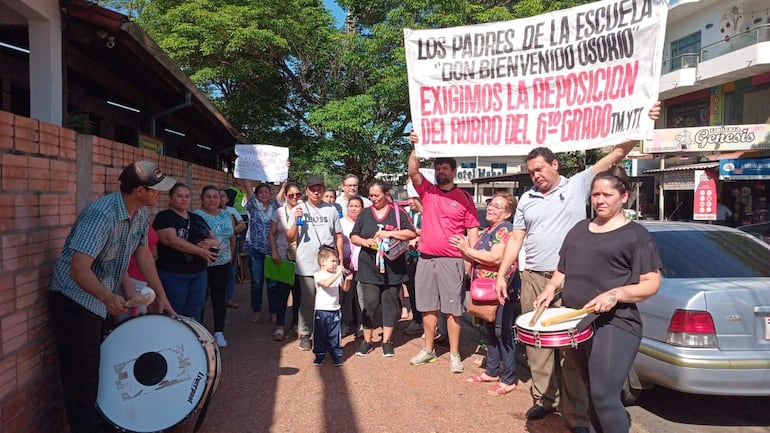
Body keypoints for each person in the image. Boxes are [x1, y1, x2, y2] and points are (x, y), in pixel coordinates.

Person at [494, 102, 661, 429]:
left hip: (594, 307)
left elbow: (615, 156)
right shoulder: (530, 201)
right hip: (538, 279)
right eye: (531, 171)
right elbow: (518, 241)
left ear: (555, 165)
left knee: (579, 365)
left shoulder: (581, 185)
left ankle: (576, 417)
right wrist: (507, 274)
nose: (535, 175)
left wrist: (642, 122)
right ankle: (545, 400)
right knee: (539, 348)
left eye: (540, 169)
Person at [49, 161, 176, 433]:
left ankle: (103, 421)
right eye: (156, 190)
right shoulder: (101, 214)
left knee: (103, 363)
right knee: (82, 375)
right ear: (140, 190)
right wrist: (107, 296)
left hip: (99, 299)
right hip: (76, 301)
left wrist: (160, 296)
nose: (160, 195)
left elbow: (142, 253)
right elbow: (78, 267)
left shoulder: (140, 213)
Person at [535, 166, 661, 433]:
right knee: (592, 392)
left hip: (615, 324)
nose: (600, 200)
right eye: (595, 195)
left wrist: (616, 294)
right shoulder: (580, 230)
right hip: (578, 323)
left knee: (605, 395)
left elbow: (651, 283)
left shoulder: (635, 235)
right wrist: (550, 288)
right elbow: (563, 269)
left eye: (607, 194)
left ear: (624, 196)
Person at [407, 134, 480, 373]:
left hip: (452, 260)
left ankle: (455, 354)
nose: (440, 172)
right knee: (428, 307)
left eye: (445, 168)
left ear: (454, 171)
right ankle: (429, 350)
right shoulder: (427, 191)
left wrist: (471, 257)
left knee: (453, 309)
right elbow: (413, 171)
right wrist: (415, 147)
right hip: (426, 258)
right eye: (438, 168)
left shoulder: (464, 197)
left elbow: (472, 228)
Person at [451, 192, 519, 395]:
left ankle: (509, 377)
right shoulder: (489, 229)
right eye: (490, 204)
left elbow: (495, 258)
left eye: (497, 206)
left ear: (507, 213)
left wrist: (466, 249)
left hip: (502, 289)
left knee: (502, 330)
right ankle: (491, 371)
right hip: (486, 290)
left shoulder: (505, 229)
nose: (490, 208)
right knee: (490, 329)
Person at [350, 181, 417, 357]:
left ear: (385, 194)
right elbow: (353, 236)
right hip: (369, 266)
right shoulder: (365, 213)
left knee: (389, 303)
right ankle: (367, 340)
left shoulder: (397, 212)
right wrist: (365, 241)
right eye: (371, 195)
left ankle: (387, 341)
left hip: (393, 266)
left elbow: (411, 233)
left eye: (377, 195)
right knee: (369, 303)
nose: (373, 199)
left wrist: (390, 233)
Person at [287, 175, 344, 351]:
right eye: (312, 188)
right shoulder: (298, 209)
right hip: (306, 263)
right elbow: (289, 237)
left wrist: (340, 258)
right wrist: (297, 221)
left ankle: (326, 333)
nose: (316, 191)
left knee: (329, 299)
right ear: (306, 191)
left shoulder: (331, 209)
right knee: (308, 300)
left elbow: (338, 235)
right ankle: (305, 334)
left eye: (319, 188)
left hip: (328, 263)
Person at [154, 183, 218, 322]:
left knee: (195, 311)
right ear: (171, 198)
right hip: (173, 273)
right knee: (173, 312)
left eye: (187, 196)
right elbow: (171, 240)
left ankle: (192, 342)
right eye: (179, 196)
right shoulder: (164, 217)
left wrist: (210, 243)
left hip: (198, 273)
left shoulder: (196, 218)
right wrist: (200, 250)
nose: (184, 199)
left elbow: (214, 239)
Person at [194, 186, 236, 347]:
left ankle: (219, 332)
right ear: (202, 198)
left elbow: (232, 236)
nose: (212, 200)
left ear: (220, 199)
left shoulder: (226, 214)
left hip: (223, 262)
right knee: (201, 299)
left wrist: (231, 256)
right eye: (208, 197)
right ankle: (199, 332)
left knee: (220, 297)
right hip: (203, 264)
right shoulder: (197, 216)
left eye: (215, 197)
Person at [268, 182, 303, 341]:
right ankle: (280, 325)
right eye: (291, 195)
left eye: (298, 195)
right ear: (286, 196)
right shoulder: (279, 212)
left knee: (299, 293)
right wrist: (274, 251)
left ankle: (296, 324)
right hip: (283, 257)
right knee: (282, 293)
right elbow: (272, 234)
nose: (295, 198)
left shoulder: (304, 211)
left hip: (300, 259)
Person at [242, 181, 281, 323]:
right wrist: (244, 167)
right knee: (257, 282)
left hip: (272, 250)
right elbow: (247, 187)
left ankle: (274, 311)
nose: (264, 194)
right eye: (261, 192)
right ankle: (256, 309)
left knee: (272, 283)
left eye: (266, 192)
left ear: (270, 195)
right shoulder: (252, 206)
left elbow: (282, 188)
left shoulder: (276, 206)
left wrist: (284, 170)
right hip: (255, 250)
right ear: (256, 196)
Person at [312, 246, 352, 366]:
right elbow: (326, 284)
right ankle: (320, 355)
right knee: (320, 334)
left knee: (334, 334)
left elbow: (345, 288)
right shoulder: (318, 275)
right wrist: (338, 273)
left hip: (335, 309)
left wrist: (348, 279)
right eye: (333, 261)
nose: (336, 264)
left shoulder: (337, 274)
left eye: (336, 261)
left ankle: (336, 355)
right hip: (321, 310)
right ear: (323, 262)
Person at [116, 221, 159, 322]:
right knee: (130, 326)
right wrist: (128, 287)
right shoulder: (125, 217)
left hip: (142, 279)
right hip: (130, 279)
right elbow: (116, 254)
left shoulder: (142, 214)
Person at [339, 195, 364, 335]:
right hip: (346, 265)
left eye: (357, 206)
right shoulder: (341, 223)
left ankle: (362, 324)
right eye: (351, 206)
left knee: (361, 296)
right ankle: (345, 323)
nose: (354, 209)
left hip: (362, 265)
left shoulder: (364, 222)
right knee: (346, 295)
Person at [221, 189, 246, 308]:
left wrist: (229, 232)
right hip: (214, 248)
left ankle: (229, 298)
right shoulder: (208, 213)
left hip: (230, 245)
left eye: (223, 196)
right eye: (218, 196)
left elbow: (242, 225)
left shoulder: (231, 211)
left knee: (231, 272)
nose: (220, 199)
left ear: (227, 199)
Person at [403, 195, 423, 335]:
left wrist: (417, 236)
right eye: (409, 198)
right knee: (412, 290)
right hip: (409, 258)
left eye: (413, 198)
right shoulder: (406, 214)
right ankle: (417, 320)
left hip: (425, 258)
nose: (410, 202)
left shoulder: (428, 214)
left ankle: (432, 324)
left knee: (426, 291)